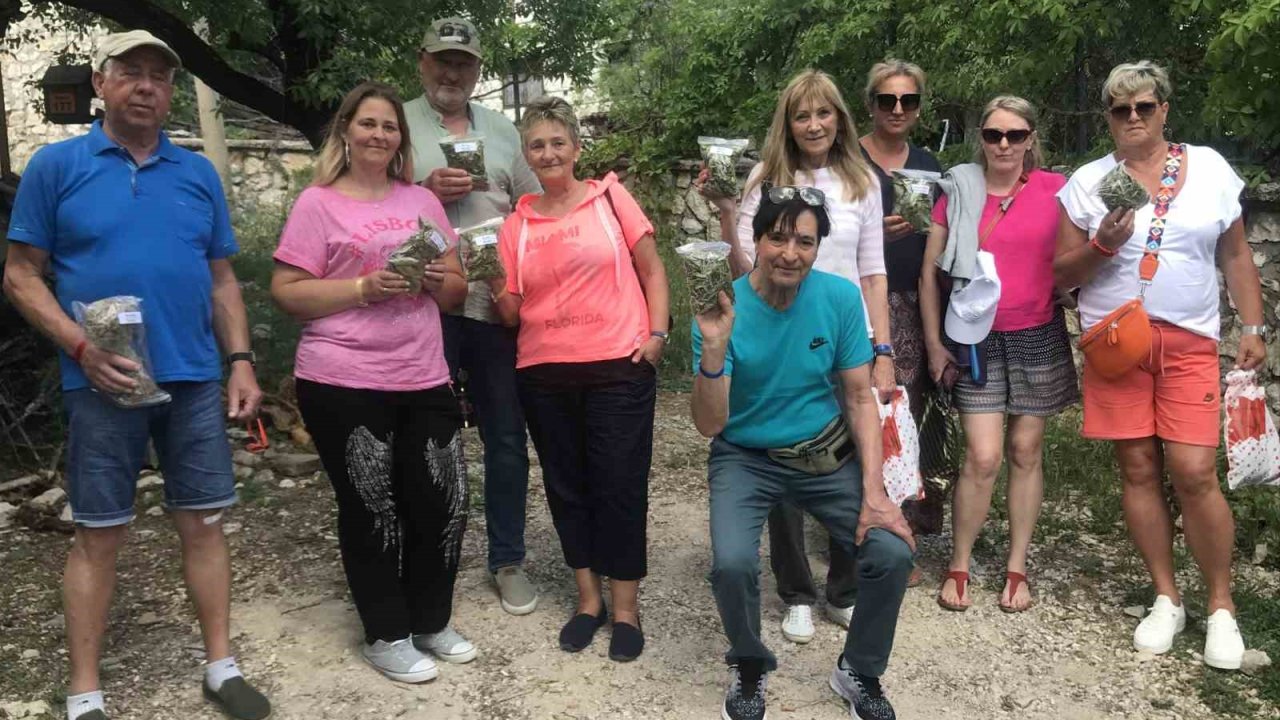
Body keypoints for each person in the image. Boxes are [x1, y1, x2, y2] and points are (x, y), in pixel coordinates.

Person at [3, 30, 269, 720]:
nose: (147, 86)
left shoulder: (196, 173)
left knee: (205, 522)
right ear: (101, 83)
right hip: (100, 380)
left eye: (160, 76)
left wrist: (239, 361)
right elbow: (21, 275)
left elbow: (222, 281)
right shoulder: (56, 167)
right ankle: (84, 692)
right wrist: (79, 348)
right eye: (132, 73)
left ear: (171, 91)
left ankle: (221, 666)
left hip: (191, 379)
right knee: (99, 531)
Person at [1054, 61, 1263, 669]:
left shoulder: (1211, 170)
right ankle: (1167, 598)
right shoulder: (1088, 182)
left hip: (1190, 341)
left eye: (1145, 106)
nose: (1134, 118)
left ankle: (1221, 606)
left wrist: (1252, 325)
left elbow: (1237, 253)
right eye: (1121, 110)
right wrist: (1103, 246)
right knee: (1139, 467)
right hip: (1117, 343)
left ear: (1164, 109)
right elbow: (1059, 273)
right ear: (1108, 118)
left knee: (1195, 471)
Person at [271, 82, 472, 684]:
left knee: (441, 502)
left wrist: (437, 278)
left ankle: (431, 621)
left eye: (389, 127)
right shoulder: (317, 204)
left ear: (399, 140)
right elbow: (286, 292)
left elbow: (459, 290)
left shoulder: (422, 203)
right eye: (368, 124)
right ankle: (387, 633)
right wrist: (362, 287)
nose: (379, 135)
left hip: (423, 373)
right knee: (372, 507)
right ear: (346, 132)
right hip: (342, 379)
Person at [692, 187, 914, 720]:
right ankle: (748, 664)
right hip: (744, 454)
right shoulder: (721, 308)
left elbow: (860, 396)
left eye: (805, 241)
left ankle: (859, 670)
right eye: (778, 237)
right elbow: (708, 424)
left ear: (818, 248)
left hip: (822, 452)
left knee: (890, 552)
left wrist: (874, 491)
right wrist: (716, 349)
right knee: (733, 564)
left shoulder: (837, 298)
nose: (790, 252)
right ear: (757, 238)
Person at [701, 68, 892, 644]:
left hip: (845, 338)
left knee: (846, 467)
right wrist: (725, 208)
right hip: (783, 336)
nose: (813, 125)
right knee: (778, 463)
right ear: (788, 122)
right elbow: (745, 265)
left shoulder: (862, 180)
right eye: (802, 115)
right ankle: (796, 592)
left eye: (824, 113)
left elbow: (874, 272)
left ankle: (844, 586)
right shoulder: (766, 177)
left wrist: (883, 348)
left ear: (840, 118)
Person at [490, 96, 669, 662]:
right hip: (544, 371)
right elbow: (512, 312)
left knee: (618, 486)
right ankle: (587, 602)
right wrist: (489, 283)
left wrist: (658, 335)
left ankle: (625, 609)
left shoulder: (610, 198)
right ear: (527, 155)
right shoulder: (515, 225)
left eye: (557, 142)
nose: (548, 153)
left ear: (575, 148)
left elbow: (652, 269)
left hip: (619, 365)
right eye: (537, 145)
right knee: (567, 487)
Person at [405, 16, 543, 616]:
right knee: (422, 435)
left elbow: (533, 203)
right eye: (443, 60)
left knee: (506, 437)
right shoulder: (399, 121)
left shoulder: (503, 129)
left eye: (463, 62)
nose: (452, 72)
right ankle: (425, 555)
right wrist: (423, 187)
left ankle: (506, 558)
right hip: (419, 303)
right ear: (423, 61)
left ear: (478, 70)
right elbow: (365, 198)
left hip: (492, 302)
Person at [920, 96, 1078, 613]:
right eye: (994, 135)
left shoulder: (1059, 191)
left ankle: (1016, 567)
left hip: (1037, 332)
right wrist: (935, 344)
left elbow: (1078, 259)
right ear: (981, 139)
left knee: (1026, 452)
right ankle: (960, 564)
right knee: (982, 456)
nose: (1004, 144)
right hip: (973, 338)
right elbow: (928, 275)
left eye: (1015, 134)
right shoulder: (957, 191)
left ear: (1031, 137)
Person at [857, 59, 947, 577]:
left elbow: (936, 240)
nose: (897, 109)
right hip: (859, 299)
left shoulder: (929, 164)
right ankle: (855, 525)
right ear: (869, 104)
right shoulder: (849, 159)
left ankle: (898, 531)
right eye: (887, 100)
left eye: (907, 100)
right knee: (856, 412)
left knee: (901, 420)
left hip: (911, 304)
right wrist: (875, 237)